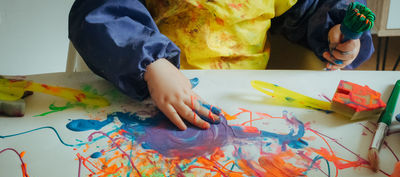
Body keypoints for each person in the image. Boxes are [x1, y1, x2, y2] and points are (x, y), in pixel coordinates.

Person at [69, 0, 374, 131]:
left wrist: (334, 36)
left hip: (242, 101)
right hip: (149, 88)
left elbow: (309, 12)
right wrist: (151, 62)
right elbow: (99, 12)